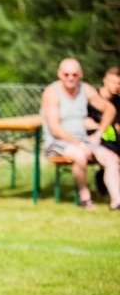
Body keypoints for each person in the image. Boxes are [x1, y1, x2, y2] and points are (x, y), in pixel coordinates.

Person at [41, 58, 120, 210]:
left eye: (74, 74)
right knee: (80, 155)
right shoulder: (52, 93)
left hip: (84, 140)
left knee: (112, 158)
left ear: (81, 74)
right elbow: (55, 129)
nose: (71, 78)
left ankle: (117, 201)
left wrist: (98, 134)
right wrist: (80, 145)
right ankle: (84, 196)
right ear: (59, 74)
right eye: (66, 74)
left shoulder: (86, 89)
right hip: (57, 142)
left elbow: (110, 110)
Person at [85, 66, 120, 197]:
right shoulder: (92, 98)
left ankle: (102, 177)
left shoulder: (118, 103)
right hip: (92, 139)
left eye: (118, 83)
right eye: (113, 82)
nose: (116, 86)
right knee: (112, 157)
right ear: (104, 80)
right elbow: (85, 122)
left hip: (111, 138)